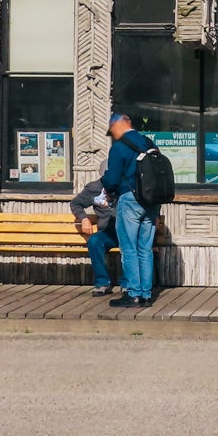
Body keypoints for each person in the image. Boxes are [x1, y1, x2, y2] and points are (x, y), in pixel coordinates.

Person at [100, 113, 157, 308]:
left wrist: (106, 183)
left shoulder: (119, 147)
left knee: (129, 249)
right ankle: (146, 295)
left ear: (118, 125)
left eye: (112, 129)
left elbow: (112, 180)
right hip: (151, 201)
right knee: (145, 249)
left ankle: (133, 294)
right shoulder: (148, 142)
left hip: (130, 199)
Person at [69, 167, 117, 296]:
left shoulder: (127, 186)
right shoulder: (94, 188)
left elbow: (149, 199)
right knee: (94, 241)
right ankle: (102, 282)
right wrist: (84, 218)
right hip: (108, 232)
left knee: (131, 247)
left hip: (128, 231)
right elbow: (76, 203)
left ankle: (128, 284)